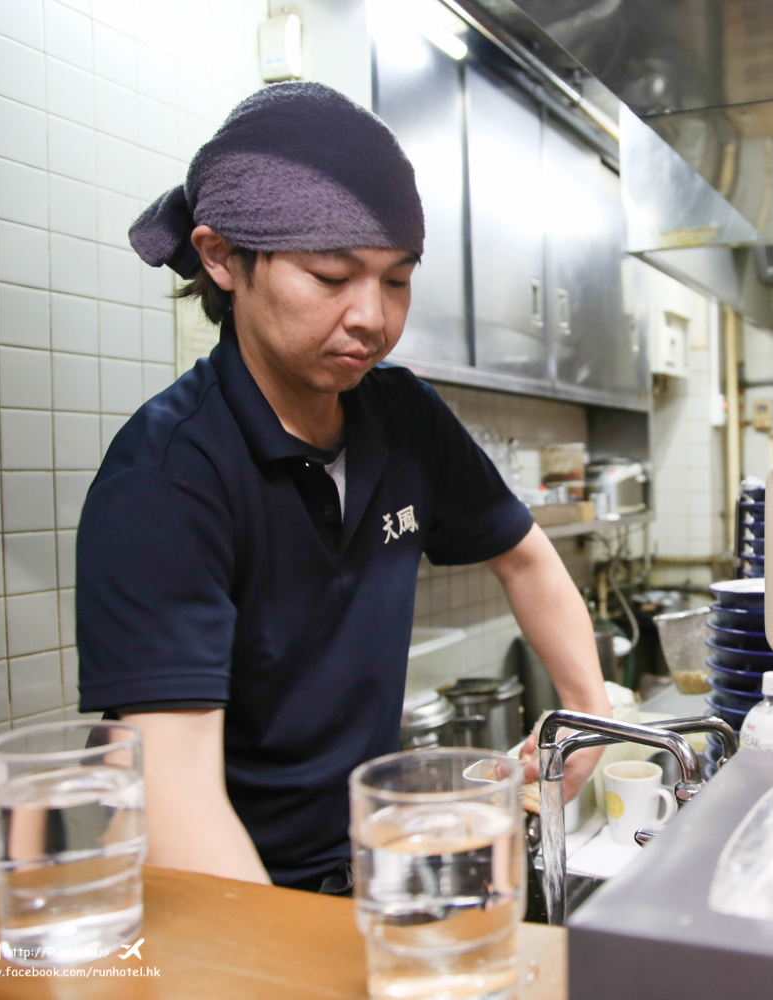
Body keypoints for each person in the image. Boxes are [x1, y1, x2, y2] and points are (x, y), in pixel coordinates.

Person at [77, 83, 611, 893]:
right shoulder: (166, 477)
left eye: (397, 280)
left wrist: (585, 711)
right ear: (222, 257)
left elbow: (526, 557)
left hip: (369, 865)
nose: (373, 315)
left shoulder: (402, 419)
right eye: (331, 276)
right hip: (230, 893)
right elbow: (174, 789)